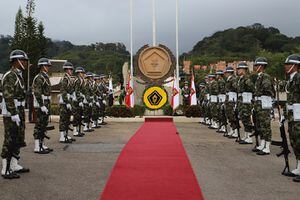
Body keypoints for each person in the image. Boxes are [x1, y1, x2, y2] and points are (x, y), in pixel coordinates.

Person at [1, 50, 30, 179]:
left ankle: (14, 164)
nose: (24, 62)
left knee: (18, 138)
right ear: (16, 61)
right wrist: (13, 113)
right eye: (22, 60)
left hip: (19, 110)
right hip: (11, 112)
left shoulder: (18, 75)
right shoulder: (10, 75)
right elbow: (8, 96)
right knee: (10, 139)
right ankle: (5, 169)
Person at [252, 57, 274, 155]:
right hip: (258, 104)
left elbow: (267, 89)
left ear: (261, 66)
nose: (254, 67)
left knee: (265, 125)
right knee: (259, 125)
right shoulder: (259, 77)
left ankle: (267, 147)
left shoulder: (265, 76)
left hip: (264, 104)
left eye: (256, 65)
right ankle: (262, 144)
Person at [284, 54, 300, 182]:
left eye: (288, 64)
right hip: (292, 113)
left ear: (295, 66)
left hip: (299, 113)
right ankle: (299, 167)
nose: (286, 66)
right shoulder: (291, 78)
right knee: (294, 140)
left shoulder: (299, 78)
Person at [32, 58, 53, 154]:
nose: (48, 68)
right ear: (42, 66)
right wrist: (41, 105)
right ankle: (37, 146)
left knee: (44, 125)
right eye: (47, 66)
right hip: (42, 104)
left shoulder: (45, 77)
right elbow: (37, 93)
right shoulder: (39, 77)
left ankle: (42, 144)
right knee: (39, 125)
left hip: (46, 103)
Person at [236, 62, 255, 144]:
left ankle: (249, 137)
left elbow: (252, 89)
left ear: (244, 70)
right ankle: (246, 135)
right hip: (241, 101)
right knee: (243, 119)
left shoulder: (247, 79)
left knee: (246, 119)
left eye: (239, 69)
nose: (237, 70)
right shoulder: (241, 79)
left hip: (246, 102)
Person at [59, 62, 75, 143]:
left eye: (71, 69)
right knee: (63, 119)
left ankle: (65, 134)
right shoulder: (65, 78)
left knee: (67, 119)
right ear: (67, 70)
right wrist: (67, 102)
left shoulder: (69, 78)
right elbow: (63, 91)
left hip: (68, 101)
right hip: (64, 102)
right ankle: (62, 136)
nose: (71, 71)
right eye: (70, 69)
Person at [224, 66, 238, 138]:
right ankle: (232, 129)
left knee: (232, 115)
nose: (225, 74)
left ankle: (235, 131)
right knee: (229, 115)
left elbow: (236, 88)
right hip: (228, 98)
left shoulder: (233, 79)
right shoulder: (228, 79)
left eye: (226, 72)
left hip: (232, 99)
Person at [72, 67, 86, 137]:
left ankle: (77, 130)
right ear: (78, 73)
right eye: (82, 73)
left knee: (79, 116)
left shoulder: (81, 80)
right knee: (76, 115)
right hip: (76, 100)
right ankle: (75, 131)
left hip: (79, 99)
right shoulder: (77, 80)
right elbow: (77, 91)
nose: (83, 74)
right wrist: (80, 100)